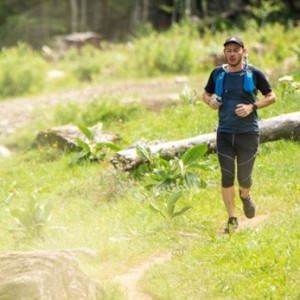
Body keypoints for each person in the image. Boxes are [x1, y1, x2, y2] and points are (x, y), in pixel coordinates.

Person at [202, 36, 276, 233]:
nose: (232, 54)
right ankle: (232, 218)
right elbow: (206, 94)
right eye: (228, 50)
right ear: (224, 53)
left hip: (248, 133)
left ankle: (245, 196)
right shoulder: (218, 73)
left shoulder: (254, 73)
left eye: (236, 50)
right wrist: (210, 102)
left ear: (243, 51)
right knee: (227, 176)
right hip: (225, 132)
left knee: (244, 178)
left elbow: (271, 97)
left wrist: (252, 106)